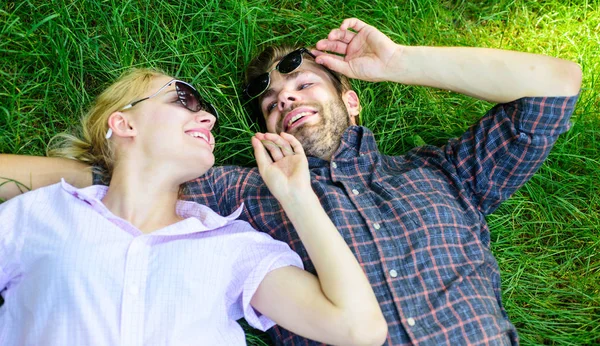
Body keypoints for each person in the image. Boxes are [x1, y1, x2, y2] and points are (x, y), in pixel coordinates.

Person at [0, 17, 582, 345]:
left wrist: (402, 63)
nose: (286, 100)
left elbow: (557, 84)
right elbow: (119, 177)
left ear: (351, 101)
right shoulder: (245, 192)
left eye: (304, 85)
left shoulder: (445, 175)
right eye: (273, 102)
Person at [0, 68, 387, 346]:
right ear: (124, 123)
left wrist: (297, 195)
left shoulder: (234, 246)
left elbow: (359, 329)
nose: (208, 117)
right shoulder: (43, 213)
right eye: (183, 98)